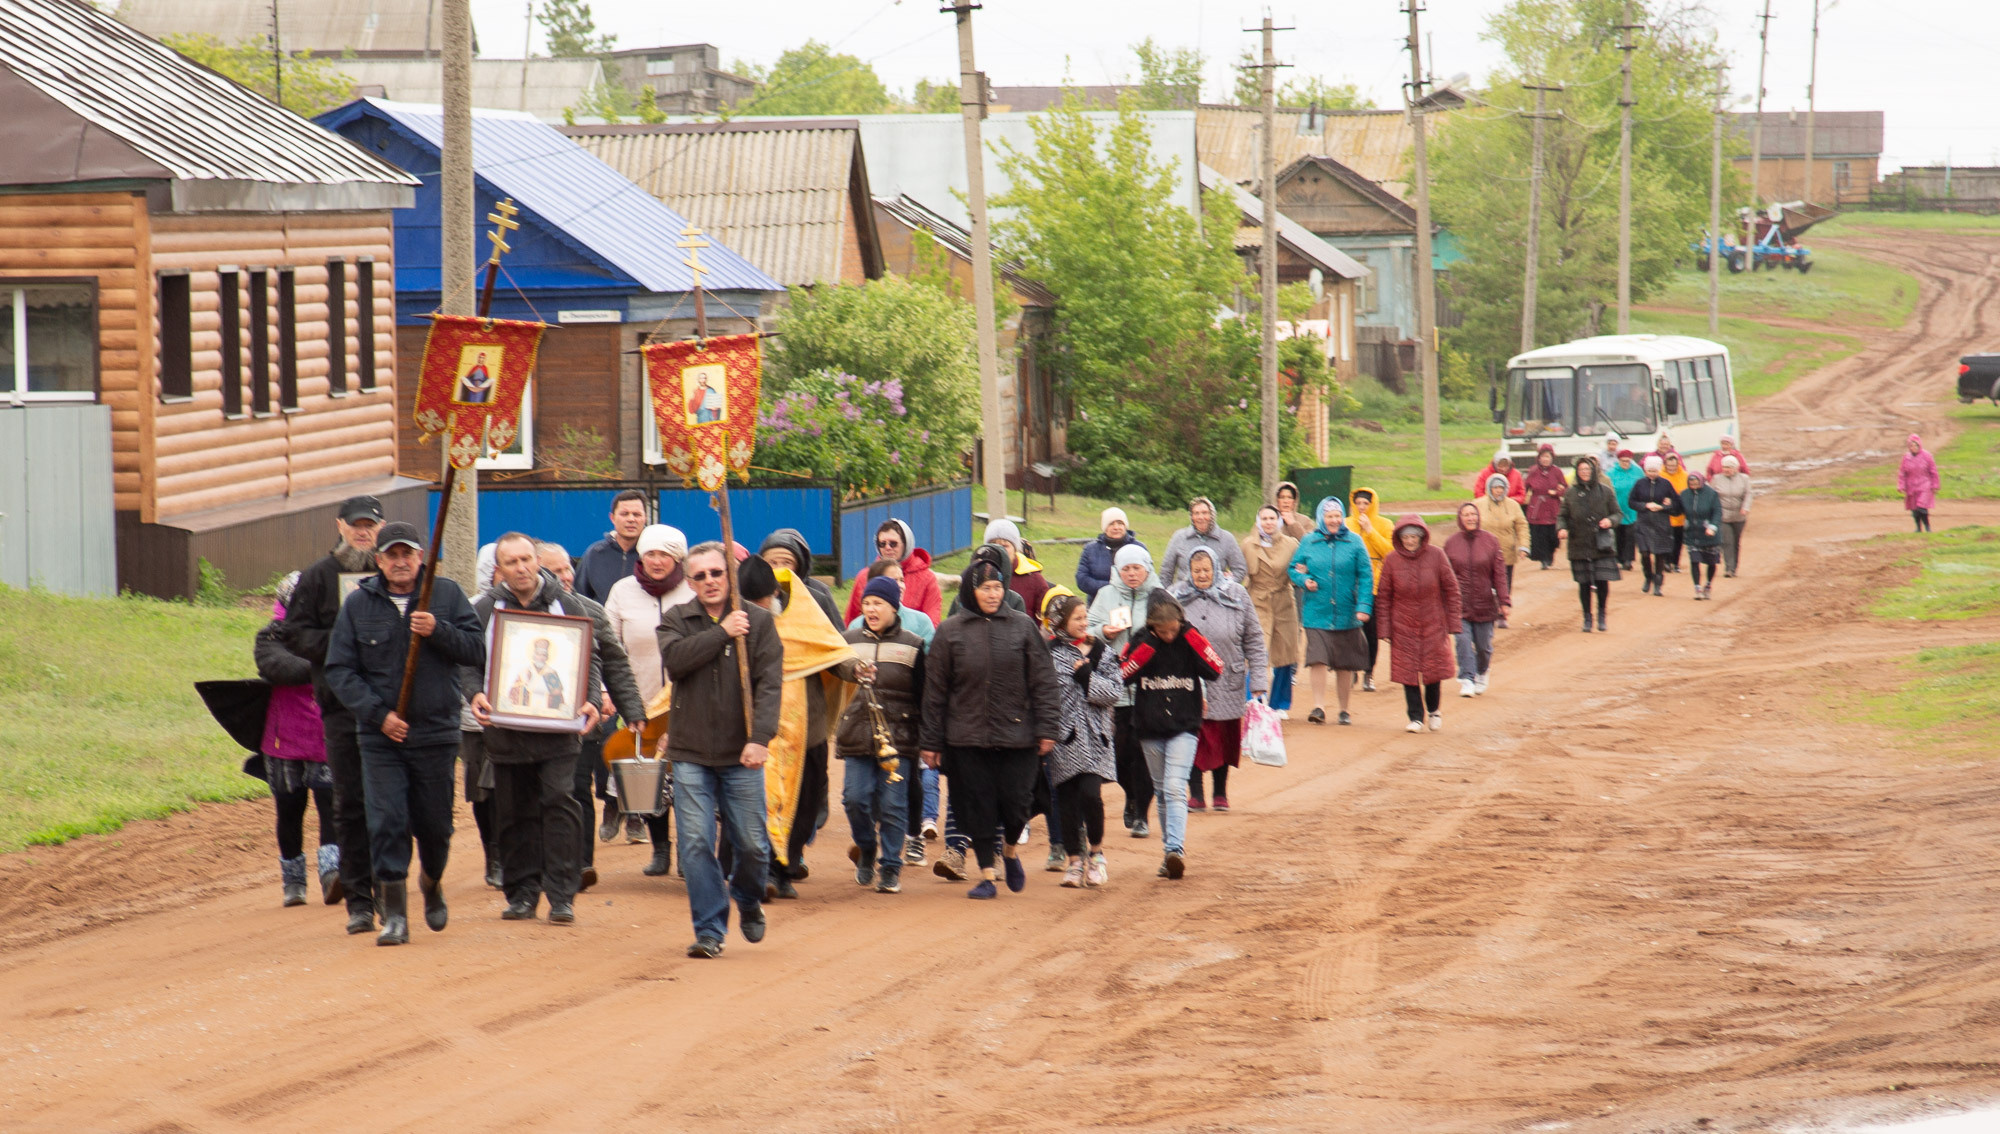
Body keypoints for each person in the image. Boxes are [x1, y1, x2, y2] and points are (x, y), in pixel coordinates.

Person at [323, 521, 485, 946]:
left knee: (435, 827)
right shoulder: (358, 605)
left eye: (407, 554)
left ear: (420, 558)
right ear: (378, 560)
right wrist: (379, 716)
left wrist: (438, 630)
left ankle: (431, 880)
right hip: (381, 739)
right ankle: (394, 915)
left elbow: (476, 649)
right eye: (391, 555)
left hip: (436, 734)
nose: (399, 562)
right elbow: (340, 670)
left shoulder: (446, 595)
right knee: (387, 821)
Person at [470, 533, 642, 927]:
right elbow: (467, 660)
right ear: (500, 569)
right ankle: (521, 893)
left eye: (526, 559)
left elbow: (597, 658)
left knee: (559, 803)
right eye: (511, 562)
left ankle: (562, 894)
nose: (521, 568)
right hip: (506, 733)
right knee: (512, 811)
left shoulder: (572, 606)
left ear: (536, 562)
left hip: (559, 733)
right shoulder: (484, 610)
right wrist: (474, 692)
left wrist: (597, 700)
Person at [658, 542, 785, 959]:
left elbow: (770, 685)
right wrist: (723, 632)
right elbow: (676, 661)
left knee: (752, 845)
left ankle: (747, 898)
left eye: (717, 573)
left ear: (729, 574)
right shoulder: (677, 619)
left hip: (742, 752)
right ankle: (710, 929)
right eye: (700, 576)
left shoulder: (759, 621)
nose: (710, 581)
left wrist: (760, 738)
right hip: (690, 751)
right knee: (695, 843)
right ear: (689, 582)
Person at [920, 552, 1064, 899]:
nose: (993, 594)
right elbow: (935, 691)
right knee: (979, 806)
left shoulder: (1023, 627)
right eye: (985, 588)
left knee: (1018, 804)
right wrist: (931, 741)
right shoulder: (950, 632)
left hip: (1018, 735)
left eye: (997, 587)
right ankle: (986, 874)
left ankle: (1010, 850)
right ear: (971, 591)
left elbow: (1044, 681)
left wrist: (1047, 728)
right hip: (966, 738)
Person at [283, 494, 386, 935]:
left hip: (390, 710)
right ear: (340, 525)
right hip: (340, 708)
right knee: (350, 803)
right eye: (356, 525)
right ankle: (359, 899)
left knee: (389, 802)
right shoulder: (318, 576)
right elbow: (294, 634)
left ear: (380, 529)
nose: (363, 532)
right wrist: (344, 641)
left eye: (370, 526)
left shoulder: (393, 571)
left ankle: (390, 887)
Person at [755, 555, 858, 897]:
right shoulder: (744, 622)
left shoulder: (809, 613)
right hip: (761, 733)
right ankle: (767, 870)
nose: (762, 604)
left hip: (809, 730)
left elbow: (832, 651)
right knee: (768, 801)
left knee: (806, 803)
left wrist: (856, 669)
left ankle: (788, 866)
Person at [602, 523, 692, 877]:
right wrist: (609, 692)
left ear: (678, 558)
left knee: (688, 777)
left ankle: (688, 852)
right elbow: (608, 646)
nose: (656, 561)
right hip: (642, 702)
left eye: (664, 555)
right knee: (652, 774)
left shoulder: (692, 589)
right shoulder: (622, 592)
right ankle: (660, 849)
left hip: (689, 701)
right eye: (650, 553)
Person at [1119, 592, 1223, 879]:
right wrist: (1150, 644)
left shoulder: (1189, 636)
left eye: (1173, 629)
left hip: (1184, 724)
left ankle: (1176, 848)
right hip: (1149, 726)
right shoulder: (1143, 639)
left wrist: (1187, 634)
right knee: (1162, 790)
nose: (1168, 635)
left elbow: (1215, 668)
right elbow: (1123, 674)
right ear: (1152, 626)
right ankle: (1169, 854)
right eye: (1162, 631)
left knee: (1175, 787)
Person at [836, 577, 926, 894]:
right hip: (856, 734)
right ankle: (866, 847)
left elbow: (924, 694)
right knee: (854, 799)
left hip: (899, 737)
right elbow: (832, 672)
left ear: (894, 607)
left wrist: (927, 739)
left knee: (892, 805)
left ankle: (890, 867)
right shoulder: (847, 640)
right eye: (866, 603)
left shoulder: (913, 645)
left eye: (878, 603)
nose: (871, 609)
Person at [254, 572, 336, 907]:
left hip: (328, 735)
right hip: (283, 739)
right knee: (289, 809)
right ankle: (294, 881)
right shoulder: (271, 636)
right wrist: (324, 664)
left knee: (331, 805)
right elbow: (277, 667)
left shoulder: (333, 632)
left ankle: (332, 873)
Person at [576, 489, 651, 844]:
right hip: (603, 658)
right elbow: (578, 601)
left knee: (639, 738)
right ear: (613, 518)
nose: (631, 519)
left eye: (637, 513)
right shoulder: (594, 555)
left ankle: (636, 814)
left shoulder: (652, 555)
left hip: (643, 658)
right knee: (605, 737)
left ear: (646, 518)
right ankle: (610, 803)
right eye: (625, 513)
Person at [1171, 548, 1268, 813]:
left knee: (1225, 735)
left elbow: (1254, 638)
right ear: (1189, 572)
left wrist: (1258, 680)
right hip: (1189, 680)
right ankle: (1196, 794)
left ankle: (1220, 792)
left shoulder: (1237, 594)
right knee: (1190, 733)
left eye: (1206, 570)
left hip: (1228, 678)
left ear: (1216, 569)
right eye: (1196, 571)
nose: (1202, 575)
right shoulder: (1176, 596)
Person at [1043, 594, 1122, 888]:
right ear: (1061, 623)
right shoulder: (1048, 654)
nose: (1083, 623)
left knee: (1091, 794)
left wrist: (1088, 678)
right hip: (1063, 739)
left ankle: (1096, 855)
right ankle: (1074, 862)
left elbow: (1115, 692)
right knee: (1066, 801)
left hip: (1096, 738)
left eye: (1085, 617)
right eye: (1077, 618)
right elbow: (1041, 693)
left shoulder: (1102, 651)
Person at [1087, 543, 1162, 839]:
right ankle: (1130, 794)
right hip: (1114, 689)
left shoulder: (1160, 596)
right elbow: (1086, 630)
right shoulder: (1106, 595)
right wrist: (1103, 632)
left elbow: (1175, 632)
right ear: (1117, 571)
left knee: (1144, 754)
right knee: (1117, 754)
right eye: (1126, 569)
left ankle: (1142, 814)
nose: (1132, 574)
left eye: (1137, 568)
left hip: (1149, 689)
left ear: (1147, 569)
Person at [1290, 496, 1374, 725]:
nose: (1334, 520)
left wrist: (1363, 606)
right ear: (1321, 518)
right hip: (1316, 611)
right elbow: (1293, 568)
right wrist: (1304, 580)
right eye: (1329, 516)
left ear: (1342, 517)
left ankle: (1344, 710)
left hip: (1347, 612)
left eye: (1337, 516)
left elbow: (1366, 576)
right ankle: (1318, 707)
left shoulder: (1355, 542)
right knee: (1317, 658)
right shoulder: (1309, 541)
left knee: (1344, 663)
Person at [1375, 516, 1462, 733]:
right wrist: (1384, 629)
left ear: (1422, 536)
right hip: (1402, 625)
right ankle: (1415, 717)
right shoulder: (1392, 560)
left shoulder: (1437, 555)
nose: (1410, 541)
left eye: (1414, 536)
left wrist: (1453, 622)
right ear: (1399, 538)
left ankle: (1434, 710)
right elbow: (1384, 597)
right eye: (1405, 537)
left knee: (1433, 671)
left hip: (1433, 622)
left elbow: (1452, 590)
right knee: (1408, 672)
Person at [1241, 505, 1302, 718]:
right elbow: (1240, 572)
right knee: (1256, 652)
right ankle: (1253, 700)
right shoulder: (1248, 545)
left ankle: (1279, 704)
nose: (1268, 522)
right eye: (1264, 518)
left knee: (1285, 653)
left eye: (1272, 518)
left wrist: (1302, 573)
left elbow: (1301, 567)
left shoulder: (1291, 544)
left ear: (1279, 521)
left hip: (1284, 601)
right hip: (1257, 602)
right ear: (1258, 522)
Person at [1443, 503, 1509, 697]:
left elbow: (1499, 574)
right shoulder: (1451, 543)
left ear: (1478, 517)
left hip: (1485, 604)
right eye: (1466, 515)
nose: (1470, 518)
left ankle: (1482, 671)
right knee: (1463, 643)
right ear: (1460, 518)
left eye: (1473, 514)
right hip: (1459, 605)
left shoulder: (1491, 541)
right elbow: (1444, 576)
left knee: (1483, 647)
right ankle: (1467, 679)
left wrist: (1504, 601)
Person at [1560, 456, 1624, 631]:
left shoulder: (1605, 491)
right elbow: (1562, 516)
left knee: (1602, 581)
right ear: (1577, 472)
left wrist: (1610, 521)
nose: (1585, 473)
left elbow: (1618, 513)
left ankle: (1601, 615)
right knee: (1584, 583)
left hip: (1601, 544)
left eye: (1587, 469)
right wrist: (1562, 528)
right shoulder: (1571, 493)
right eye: (1581, 470)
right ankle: (1587, 618)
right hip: (1579, 544)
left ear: (1593, 471)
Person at [843, 519, 943, 624]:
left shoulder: (927, 578)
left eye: (893, 544)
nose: (887, 548)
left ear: (906, 544)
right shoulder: (864, 576)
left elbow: (932, 622)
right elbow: (851, 620)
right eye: (882, 544)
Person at [1346, 486, 1394, 691]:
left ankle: (1369, 672)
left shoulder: (1384, 524)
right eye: (1358, 503)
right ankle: (1351, 669)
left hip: (1374, 584)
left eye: (1366, 503)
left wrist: (1370, 531)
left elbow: (1390, 552)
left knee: (1370, 631)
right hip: (1349, 583)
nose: (1362, 507)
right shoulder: (1346, 524)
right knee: (1349, 629)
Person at [759, 528, 841, 626]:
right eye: (773, 563)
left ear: (798, 566)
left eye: (787, 563)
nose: (779, 568)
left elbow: (835, 632)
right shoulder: (752, 593)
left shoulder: (817, 595)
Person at [1160, 496, 1247, 586]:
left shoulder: (1227, 538)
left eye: (1204, 513)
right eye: (1196, 513)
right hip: (1184, 593)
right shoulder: (1179, 537)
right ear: (1192, 516)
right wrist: (1168, 593)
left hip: (1218, 593)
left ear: (1212, 515)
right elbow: (1166, 571)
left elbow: (1240, 569)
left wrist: (1227, 584)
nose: (1200, 517)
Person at [1628, 454, 1683, 598]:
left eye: (1655, 471)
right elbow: (1631, 502)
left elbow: (1677, 504)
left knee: (1659, 554)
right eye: (1649, 471)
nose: (1652, 474)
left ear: (1659, 470)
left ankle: (1658, 584)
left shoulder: (1666, 484)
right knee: (1645, 553)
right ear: (1645, 470)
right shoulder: (1640, 484)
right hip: (1644, 523)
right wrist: (1645, 505)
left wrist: (1663, 507)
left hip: (1661, 524)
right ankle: (1648, 577)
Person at [847, 559, 936, 645]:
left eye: (902, 580)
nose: (900, 586)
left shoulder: (920, 622)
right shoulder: (856, 626)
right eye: (893, 581)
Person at [1473, 473, 1531, 603]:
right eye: (1495, 487)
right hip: (1483, 555)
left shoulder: (1513, 505)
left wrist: (1524, 546)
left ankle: (1502, 609)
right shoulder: (1477, 505)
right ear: (1489, 488)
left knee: (1504, 587)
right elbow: (1469, 526)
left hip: (1506, 554)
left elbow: (1522, 526)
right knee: (1485, 587)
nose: (1498, 490)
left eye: (1501, 487)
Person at [982, 517, 1051, 616]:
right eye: (993, 545)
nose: (999, 550)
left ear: (1015, 549)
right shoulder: (977, 575)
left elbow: (1044, 619)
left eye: (1005, 546)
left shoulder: (1035, 580)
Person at [1076, 507, 1143, 601]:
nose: (1116, 527)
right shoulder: (1090, 549)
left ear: (1125, 526)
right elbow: (1082, 580)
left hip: (1132, 602)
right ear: (1105, 528)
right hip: (1098, 603)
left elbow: (1147, 577)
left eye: (1120, 523)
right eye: (1111, 524)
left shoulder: (1139, 548)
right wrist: (1111, 587)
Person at [1679, 470, 1724, 600]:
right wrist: (1667, 505)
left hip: (1709, 534)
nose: (1693, 485)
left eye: (1696, 482)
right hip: (1692, 533)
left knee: (1711, 562)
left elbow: (1717, 512)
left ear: (1701, 481)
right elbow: (1677, 510)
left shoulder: (1711, 494)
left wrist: (1713, 527)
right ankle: (1697, 588)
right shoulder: (1684, 494)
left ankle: (1708, 585)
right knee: (1694, 560)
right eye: (1691, 483)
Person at [1523, 444, 1568, 569]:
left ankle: (1550, 554)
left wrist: (1557, 492)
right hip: (1537, 507)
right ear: (1538, 458)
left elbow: (1565, 489)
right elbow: (1525, 487)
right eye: (1543, 457)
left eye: (1548, 457)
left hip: (1553, 507)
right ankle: (1544, 559)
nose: (1545, 459)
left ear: (1552, 458)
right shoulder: (1532, 471)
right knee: (1540, 536)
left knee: (1553, 537)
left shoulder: (1557, 472)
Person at [1711, 455, 1754, 577]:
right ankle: (1729, 568)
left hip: (1739, 516)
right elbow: (1711, 495)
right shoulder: (1716, 479)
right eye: (1724, 467)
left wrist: (1745, 507)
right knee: (1727, 541)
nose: (1726, 470)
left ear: (1735, 468)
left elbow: (1748, 494)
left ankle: (1734, 567)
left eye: (1729, 467)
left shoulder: (1744, 479)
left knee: (1736, 542)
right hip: (1723, 516)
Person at [1605, 449, 1644, 571]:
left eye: (1628, 461)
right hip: (1616, 508)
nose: (1625, 463)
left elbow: (1642, 487)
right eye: (1623, 461)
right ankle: (1619, 558)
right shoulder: (1611, 473)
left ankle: (1628, 560)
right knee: (1618, 535)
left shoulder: (1638, 471)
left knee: (1630, 535)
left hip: (1632, 509)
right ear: (1618, 460)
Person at [1900, 433, 1940, 533]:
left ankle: (1927, 527)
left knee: (1921, 506)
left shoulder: (1927, 456)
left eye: (1916, 445)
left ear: (1919, 445)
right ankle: (1918, 528)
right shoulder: (1906, 457)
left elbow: (1933, 471)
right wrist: (1901, 485)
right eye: (1911, 445)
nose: (1913, 447)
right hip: (1911, 486)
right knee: (1914, 509)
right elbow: (1902, 473)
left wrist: (1935, 485)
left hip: (1925, 485)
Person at [1661, 451, 1692, 572]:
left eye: (1674, 465)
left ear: (1678, 464)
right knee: (1666, 540)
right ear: (1665, 464)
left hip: (1680, 514)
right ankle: (1666, 562)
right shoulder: (1660, 475)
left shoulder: (1685, 476)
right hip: (1664, 514)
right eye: (1669, 465)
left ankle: (1675, 563)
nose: (1671, 468)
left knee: (1678, 540)